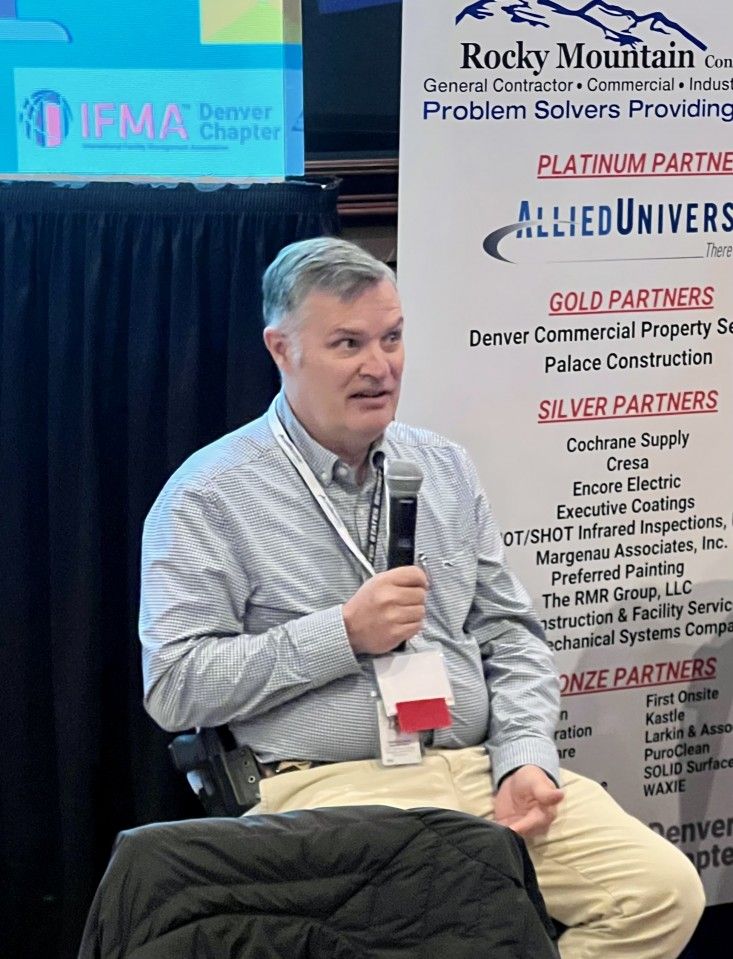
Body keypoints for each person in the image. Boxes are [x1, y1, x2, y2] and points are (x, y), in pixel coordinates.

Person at [140, 237, 705, 958]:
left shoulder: (442, 466)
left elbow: (511, 634)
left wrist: (525, 757)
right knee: (450, 916)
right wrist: (341, 634)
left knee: (660, 893)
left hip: (474, 768)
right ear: (282, 350)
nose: (379, 366)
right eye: (348, 343)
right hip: (325, 789)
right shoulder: (208, 495)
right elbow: (174, 687)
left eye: (392, 338)